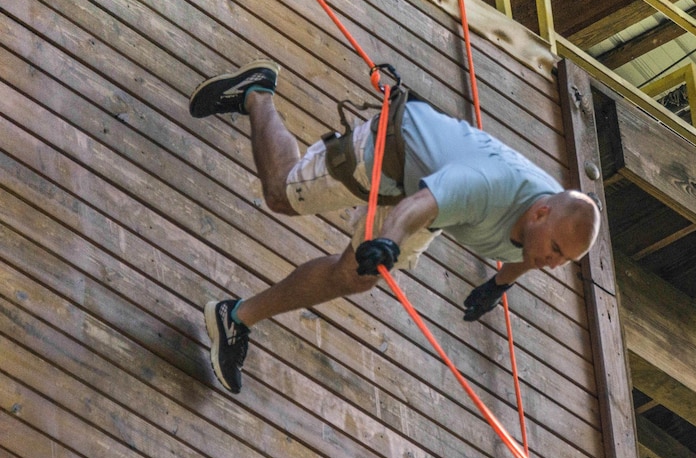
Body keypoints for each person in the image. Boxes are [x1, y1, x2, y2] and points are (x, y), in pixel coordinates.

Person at [189, 59, 601, 394]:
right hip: (393, 151)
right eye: (556, 251)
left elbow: (529, 255)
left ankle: (235, 318)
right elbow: (418, 206)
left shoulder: (543, 235)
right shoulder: (486, 187)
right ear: (539, 213)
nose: (551, 263)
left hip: (433, 196)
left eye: (563, 260)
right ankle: (257, 93)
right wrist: (388, 242)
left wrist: (499, 285)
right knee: (281, 194)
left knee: (354, 277)